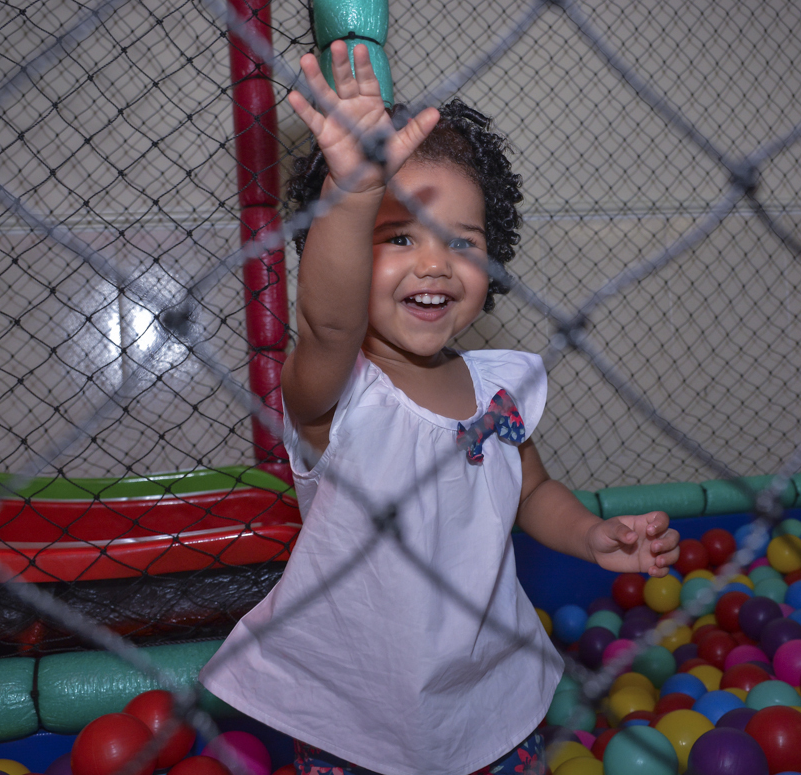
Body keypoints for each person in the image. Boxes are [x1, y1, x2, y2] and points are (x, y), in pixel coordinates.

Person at [200, 40, 681, 775]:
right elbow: (329, 323)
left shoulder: (499, 385)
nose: (433, 264)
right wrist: (354, 194)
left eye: (463, 243)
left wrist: (592, 535)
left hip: (488, 694)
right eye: (397, 237)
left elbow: (533, 491)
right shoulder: (340, 394)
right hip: (359, 717)